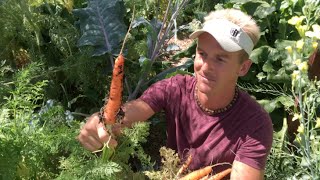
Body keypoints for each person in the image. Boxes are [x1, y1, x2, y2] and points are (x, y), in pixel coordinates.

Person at [77, 8, 273, 179]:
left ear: (243, 68)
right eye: (202, 54)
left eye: (220, 59)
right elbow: (127, 115)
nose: (205, 67)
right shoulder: (175, 88)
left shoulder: (254, 123)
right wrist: (101, 121)